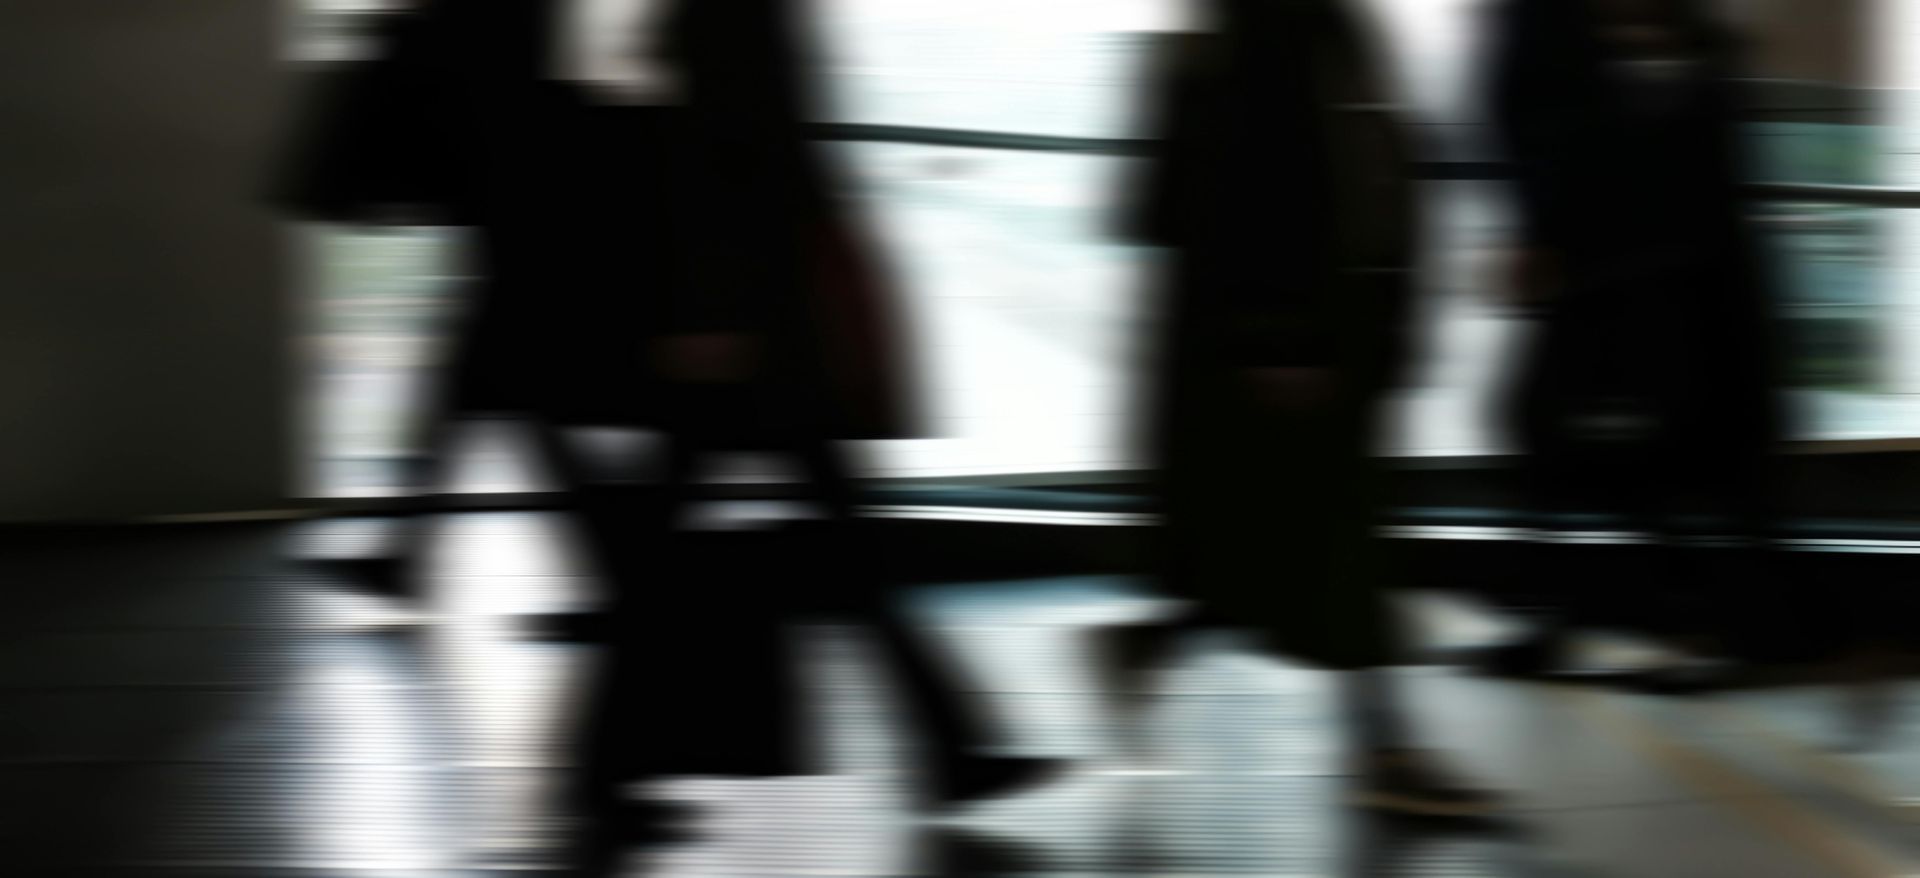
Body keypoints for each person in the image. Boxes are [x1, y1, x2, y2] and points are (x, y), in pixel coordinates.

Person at [274, 0, 1048, 872]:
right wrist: (708, 308)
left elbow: (667, 134)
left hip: (706, 315)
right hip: (723, 323)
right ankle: (936, 750)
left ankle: (937, 750)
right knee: (743, 557)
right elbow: (708, 142)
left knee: (719, 557)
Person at [1103, 0, 1497, 817]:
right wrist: (1283, 337)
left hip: (1302, 331)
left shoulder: (1298, 25)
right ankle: (1382, 751)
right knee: (1335, 554)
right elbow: (1269, 180)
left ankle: (1151, 644)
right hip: (1298, 333)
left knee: (1273, 548)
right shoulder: (1279, 26)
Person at [1480, 0, 1802, 686]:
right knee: (1563, 438)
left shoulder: (1665, 49)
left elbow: (1658, 155)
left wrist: (1548, 237)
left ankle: (1718, 628)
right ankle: (1594, 618)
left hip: (1655, 285)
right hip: (1630, 279)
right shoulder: (1654, 43)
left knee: (1616, 444)